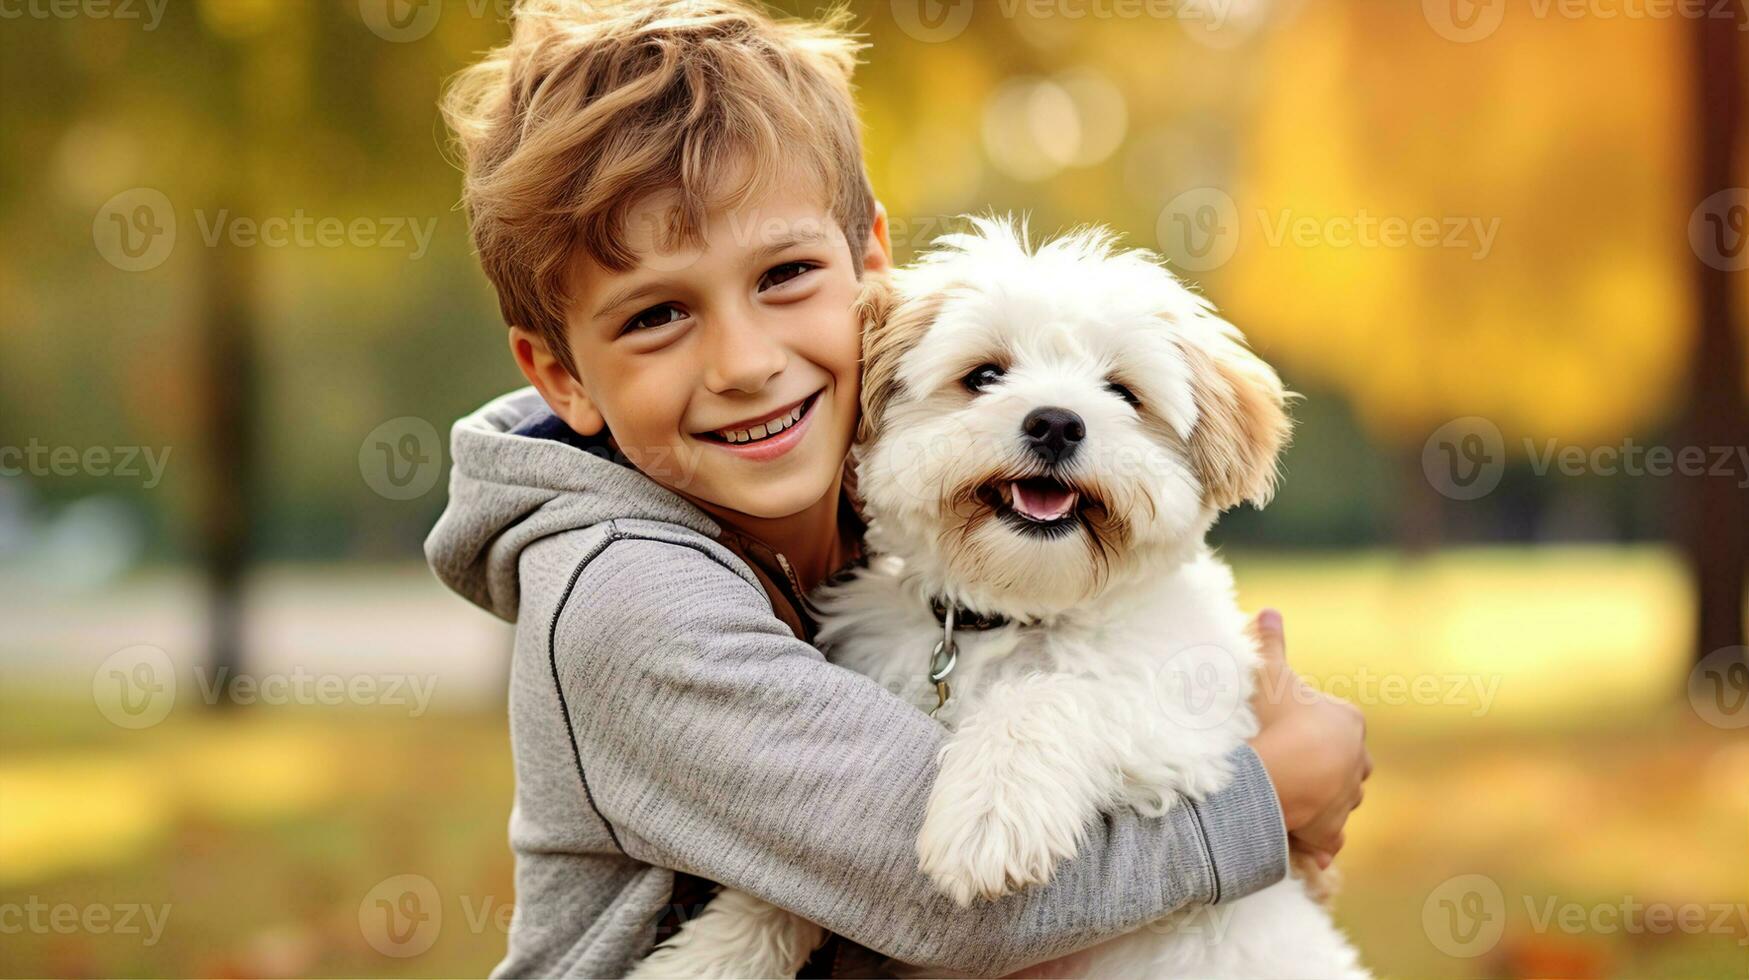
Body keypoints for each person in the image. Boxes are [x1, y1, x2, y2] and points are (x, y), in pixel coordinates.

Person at [425, 1, 1369, 975]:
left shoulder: (870, 509)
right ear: (561, 374)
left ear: (870, 275)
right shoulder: (629, 600)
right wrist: (1271, 794)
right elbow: (932, 893)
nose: (746, 362)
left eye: (784, 273)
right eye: (658, 312)